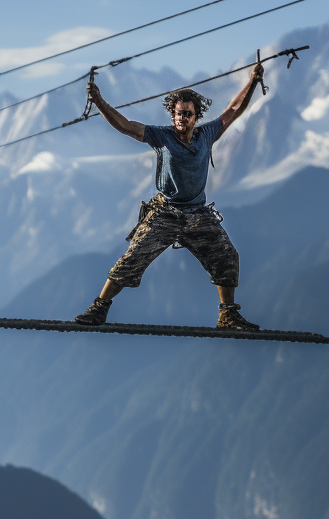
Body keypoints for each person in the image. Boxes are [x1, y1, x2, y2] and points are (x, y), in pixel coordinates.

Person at [74, 60, 266, 330]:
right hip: (164, 213)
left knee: (226, 257)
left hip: (198, 214)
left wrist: (253, 81)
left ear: (195, 117)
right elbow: (125, 125)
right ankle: (99, 308)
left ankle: (228, 315)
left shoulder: (207, 134)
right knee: (132, 259)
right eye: (178, 114)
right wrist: (99, 101)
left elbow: (233, 110)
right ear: (172, 116)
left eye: (187, 114)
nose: (181, 118)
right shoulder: (161, 136)